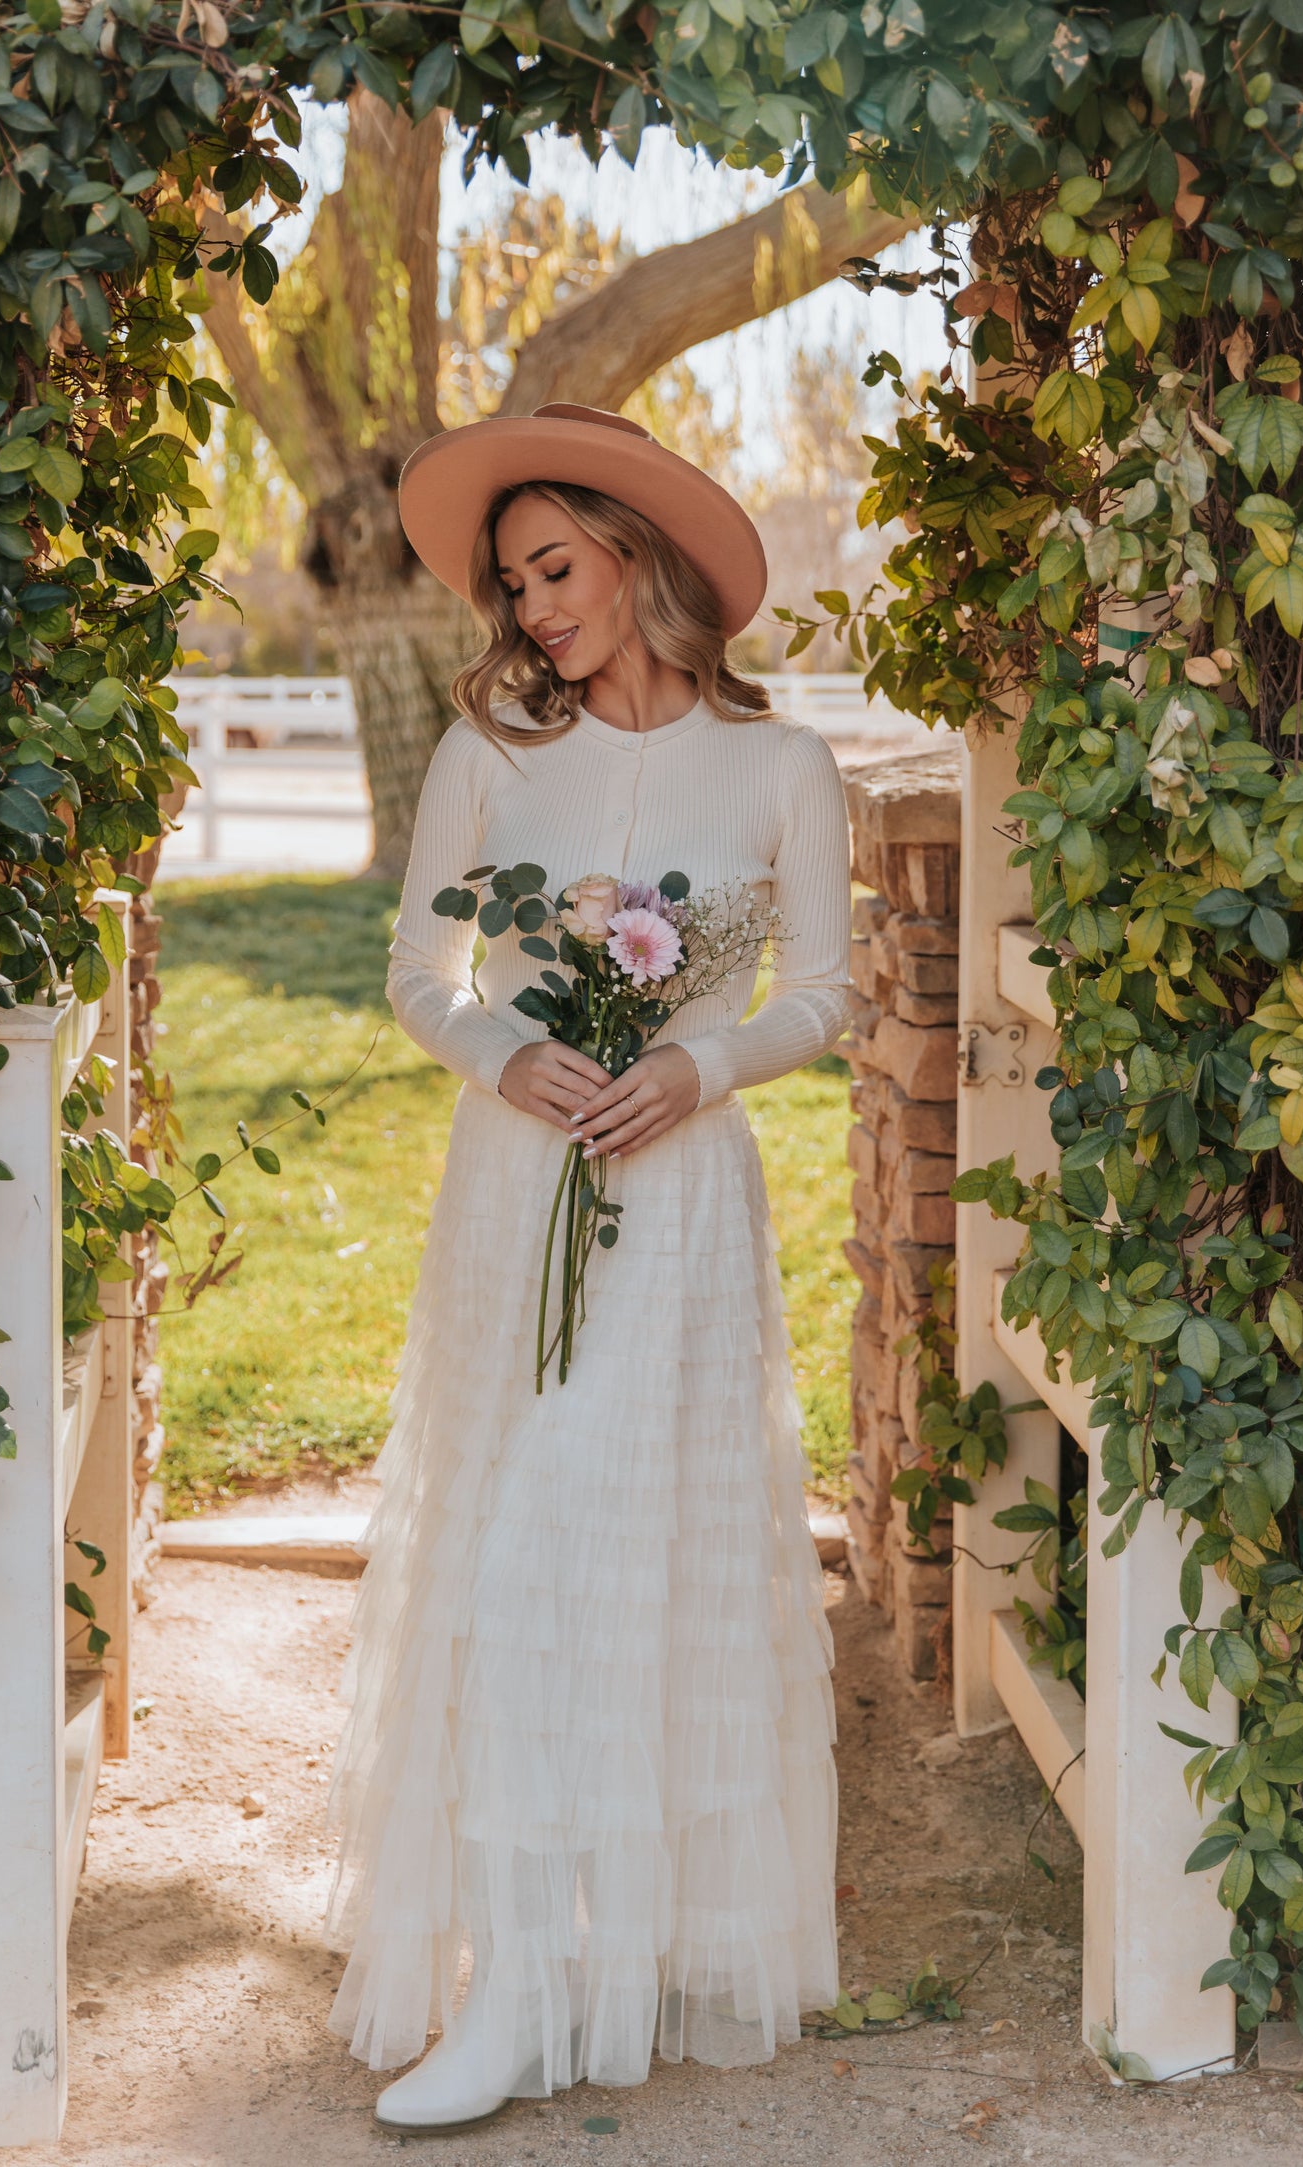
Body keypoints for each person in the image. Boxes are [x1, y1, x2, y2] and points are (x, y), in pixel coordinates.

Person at [319, 403, 852, 2134]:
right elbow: (418, 971)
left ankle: (609, 1957)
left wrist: (698, 1065)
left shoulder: (781, 770)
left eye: (554, 569)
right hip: (516, 1190)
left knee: (627, 1554)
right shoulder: (493, 752)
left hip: (680, 1204)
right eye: (512, 584)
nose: (532, 609)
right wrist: (499, 1054)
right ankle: (515, 1987)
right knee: (515, 1548)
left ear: (635, 555)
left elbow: (822, 1000)